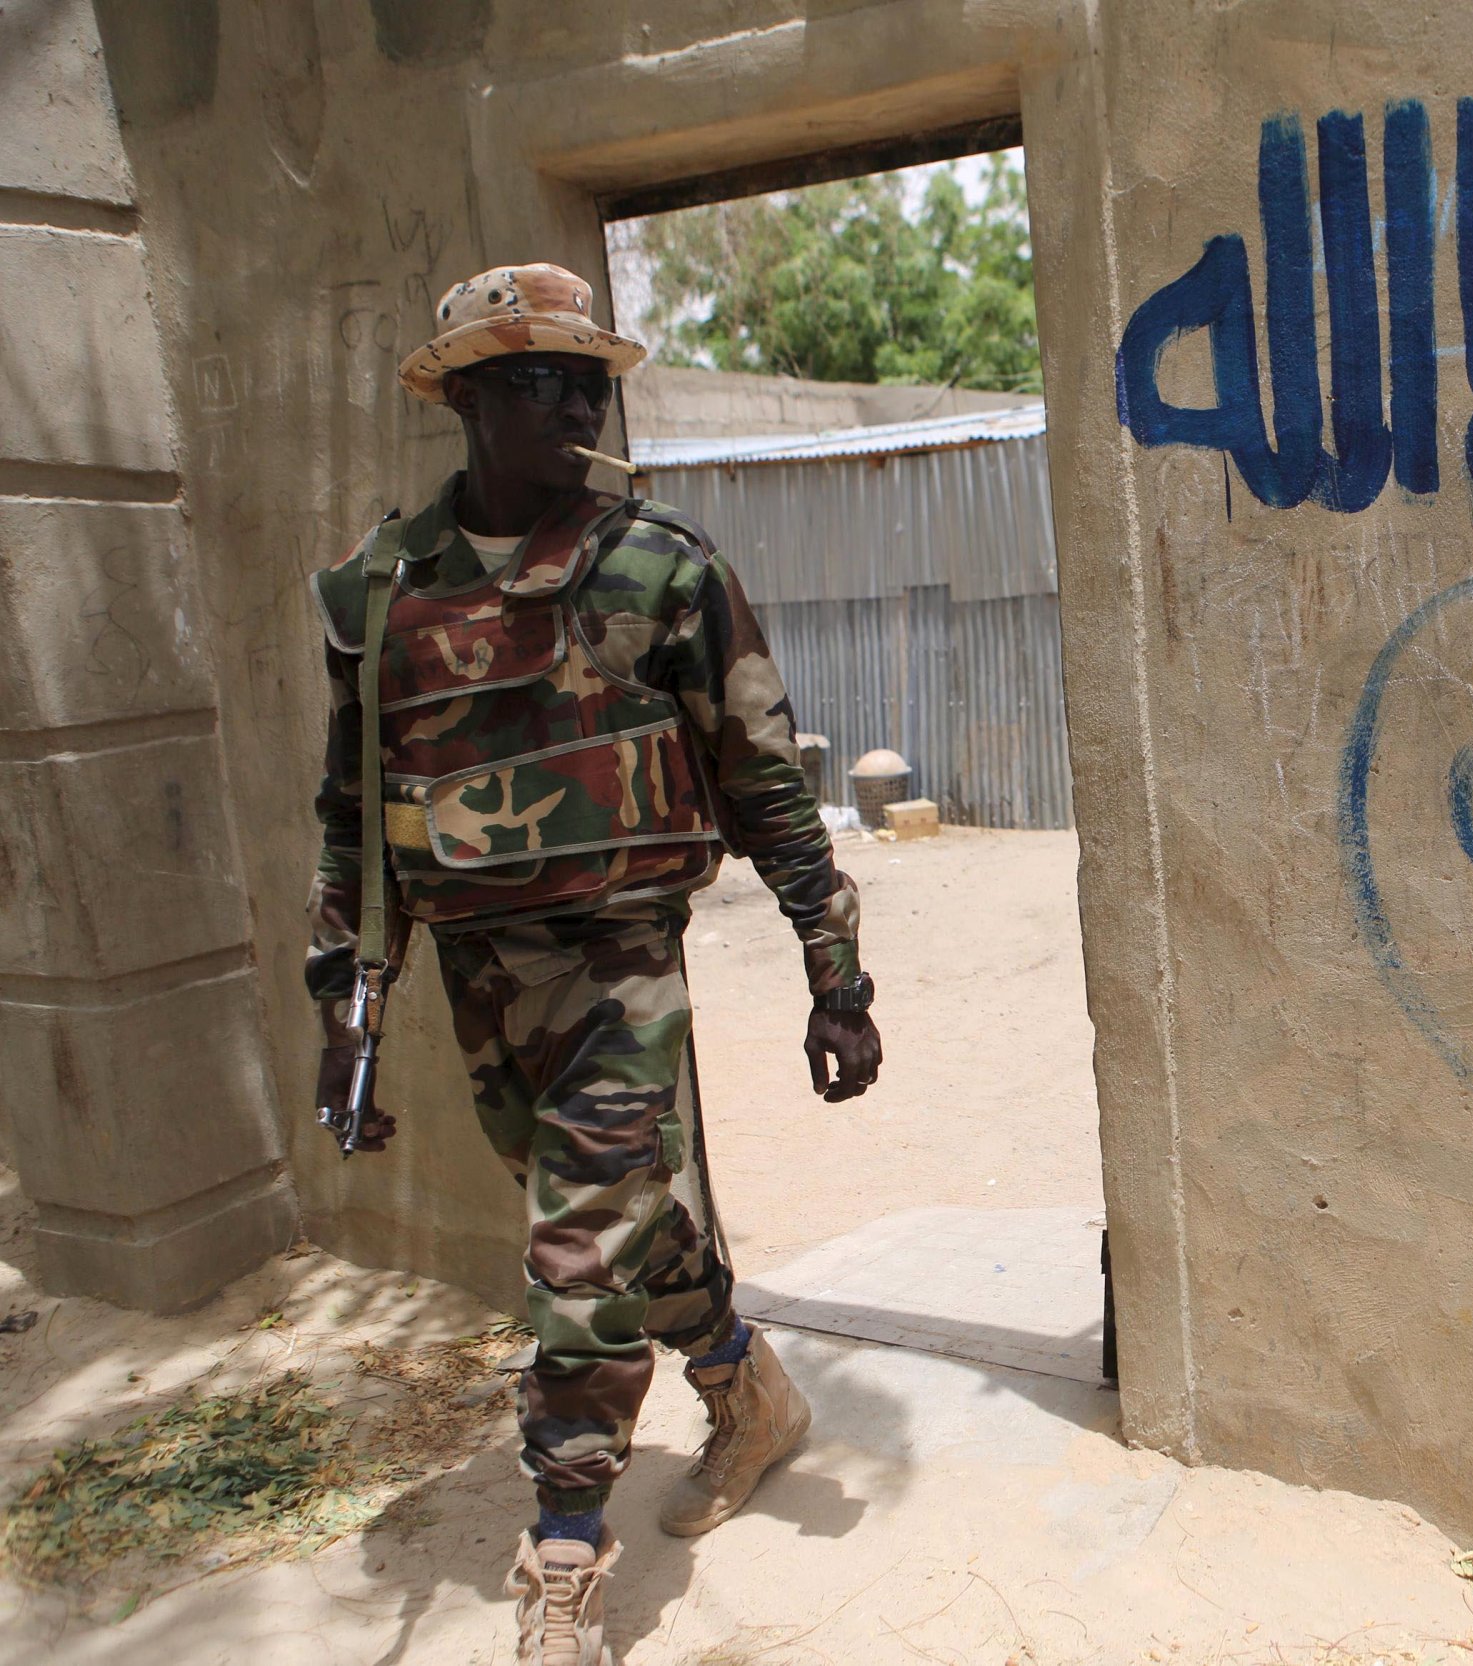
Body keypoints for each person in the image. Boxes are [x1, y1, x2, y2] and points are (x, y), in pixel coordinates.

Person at [303, 263, 882, 1666]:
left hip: (625, 963)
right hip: (477, 971)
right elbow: (354, 813)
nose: (569, 403)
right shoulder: (382, 592)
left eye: (586, 380)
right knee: (620, 1228)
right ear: (465, 400)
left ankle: (565, 1554)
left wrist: (835, 965)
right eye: (532, 380)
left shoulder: (661, 570)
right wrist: (347, 996)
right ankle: (747, 1385)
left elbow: (766, 778)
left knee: (573, 1250)